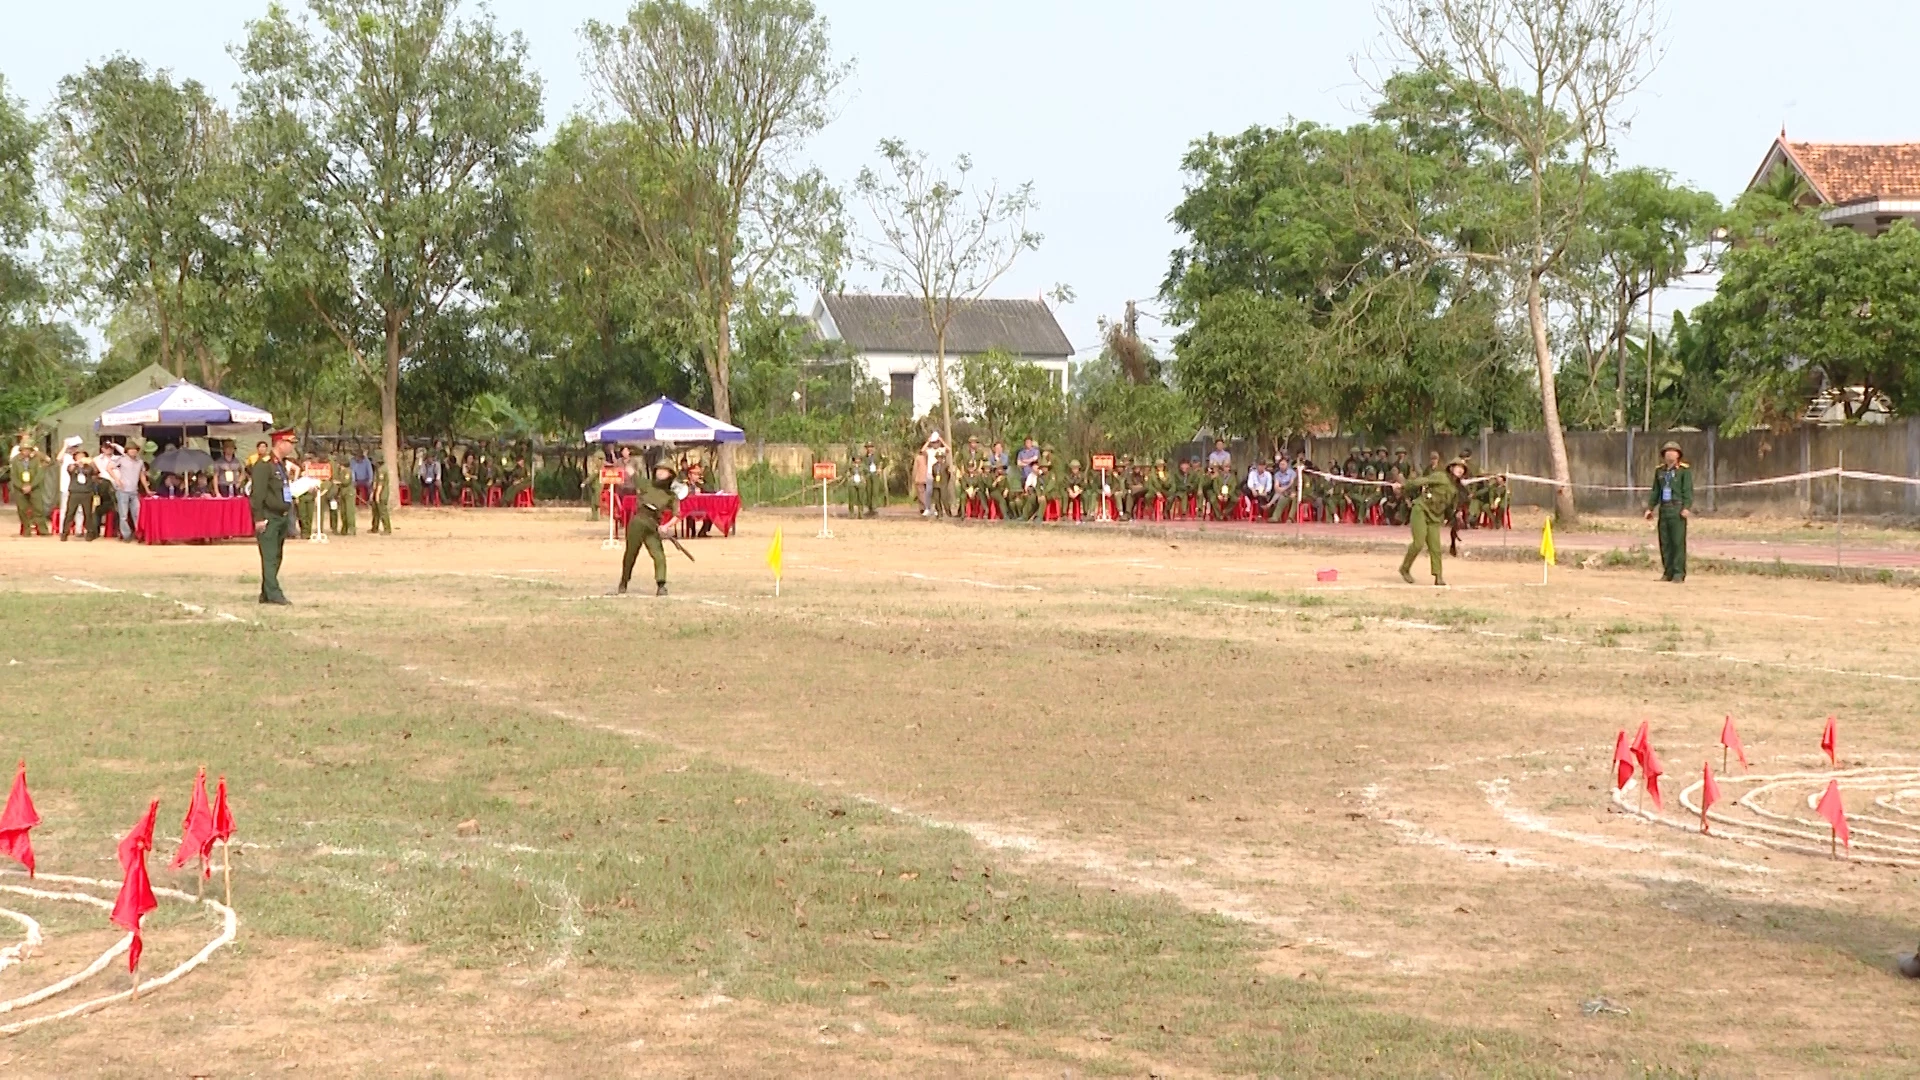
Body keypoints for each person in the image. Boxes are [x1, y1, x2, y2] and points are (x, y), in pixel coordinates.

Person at [1398, 458, 1468, 586]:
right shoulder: (1440, 477)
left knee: (1435, 547)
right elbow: (1423, 480)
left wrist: (1455, 516)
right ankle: (1405, 568)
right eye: (1457, 466)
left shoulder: (1456, 489)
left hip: (1435, 517)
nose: (1460, 469)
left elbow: (1450, 507)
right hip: (1421, 509)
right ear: (1451, 468)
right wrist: (1405, 485)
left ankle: (1438, 576)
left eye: (1462, 468)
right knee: (1418, 543)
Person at [617, 461, 680, 596]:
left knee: (659, 555)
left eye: (664, 470)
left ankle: (661, 585)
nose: (660, 472)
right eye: (658, 470)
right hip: (638, 521)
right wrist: (626, 462)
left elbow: (677, 516)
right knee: (630, 554)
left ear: (670, 475)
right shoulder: (646, 484)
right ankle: (623, 582)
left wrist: (666, 526)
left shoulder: (671, 495)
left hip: (654, 525)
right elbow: (632, 472)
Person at [251, 432, 295, 604]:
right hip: (269, 516)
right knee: (269, 556)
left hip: (282, 516)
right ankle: (274, 593)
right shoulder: (264, 465)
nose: (292, 446)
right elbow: (257, 494)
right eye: (290, 442)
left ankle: (266, 592)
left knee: (276, 556)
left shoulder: (281, 465)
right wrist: (259, 518)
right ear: (280, 443)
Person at [1645, 440, 1693, 583]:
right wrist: (1650, 508)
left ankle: (1679, 573)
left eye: (1673, 451)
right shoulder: (1660, 471)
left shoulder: (1684, 471)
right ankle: (1668, 572)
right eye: (1667, 451)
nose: (1670, 454)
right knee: (1665, 542)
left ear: (1678, 455)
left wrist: (1687, 507)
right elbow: (1655, 491)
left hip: (1677, 509)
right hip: (1664, 508)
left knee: (1677, 542)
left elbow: (1688, 490)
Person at [110, 443, 147, 541]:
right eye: (131, 449)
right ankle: (126, 535)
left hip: (134, 491)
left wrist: (147, 489)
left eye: (134, 449)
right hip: (123, 490)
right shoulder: (122, 459)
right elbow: (109, 468)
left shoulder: (140, 462)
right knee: (123, 515)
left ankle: (139, 533)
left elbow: (142, 475)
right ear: (127, 450)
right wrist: (117, 480)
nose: (133, 451)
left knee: (137, 513)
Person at [13, 446, 50, 536]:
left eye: (28, 450)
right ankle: (26, 530)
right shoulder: (15, 460)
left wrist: (31, 486)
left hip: (34, 487)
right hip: (20, 488)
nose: (26, 452)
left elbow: (40, 474)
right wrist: (21, 486)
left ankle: (42, 530)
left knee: (38, 509)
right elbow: (13, 476)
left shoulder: (37, 459)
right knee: (22, 509)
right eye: (24, 450)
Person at [368, 455, 393, 535]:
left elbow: (380, 484)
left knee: (382, 511)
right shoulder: (377, 469)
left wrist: (377, 495)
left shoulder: (382, 469)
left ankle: (387, 529)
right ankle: (374, 527)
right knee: (375, 511)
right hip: (377, 492)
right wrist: (372, 493)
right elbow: (375, 482)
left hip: (382, 493)